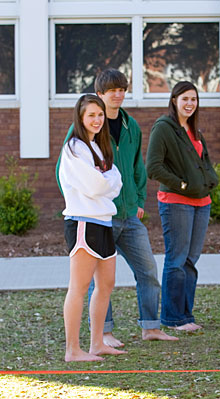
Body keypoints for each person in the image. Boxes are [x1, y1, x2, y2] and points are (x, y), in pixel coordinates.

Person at [56, 69, 177, 346]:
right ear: (99, 95)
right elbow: (69, 174)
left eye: (122, 89)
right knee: (92, 282)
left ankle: (150, 326)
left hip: (127, 215)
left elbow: (135, 170)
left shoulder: (130, 126)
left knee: (147, 270)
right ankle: (104, 334)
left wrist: (138, 202)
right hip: (92, 217)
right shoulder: (81, 134)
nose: (118, 94)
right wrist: (80, 201)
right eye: (112, 90)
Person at [58, 94, 127, 361]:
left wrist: (106, 179)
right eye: (91, 116)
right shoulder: (75, 147)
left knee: (107, 283)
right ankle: (72, 350)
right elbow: (98, 185)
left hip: (104, 222)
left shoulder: (98, 147)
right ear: (81, 118)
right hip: (83, 223)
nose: (97, 120)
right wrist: (106, 180)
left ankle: (97, 343)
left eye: (100, 115)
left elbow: (116, 180)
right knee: (79, 286)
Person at [146, 81, 219, 331]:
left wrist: (209, 181)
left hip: (202, 203)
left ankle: (186, 316)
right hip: (177, 202)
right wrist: (183, 185)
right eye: (185, 98)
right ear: (174, 100)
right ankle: (173, 318)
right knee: (176, 260)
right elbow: (153, 167)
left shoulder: (193, 130)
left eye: (194, 99)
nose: (189, 104)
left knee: (190, 260)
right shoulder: (164, 128)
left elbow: (203, 162)